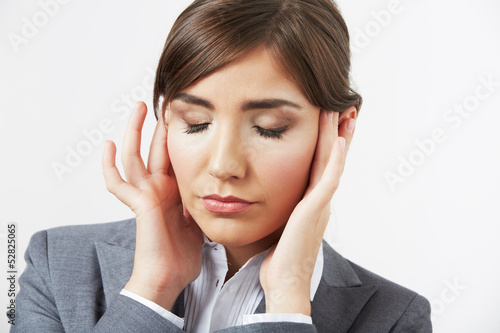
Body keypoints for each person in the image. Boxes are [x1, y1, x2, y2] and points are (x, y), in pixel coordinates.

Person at [12, 0, 432, 332]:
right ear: (166, 124)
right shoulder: (56, 265)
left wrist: (286, 305)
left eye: (269, 129)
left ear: (338, 130)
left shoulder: (395, 318)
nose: (224, 166)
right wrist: (151, 291)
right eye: (196, 123)